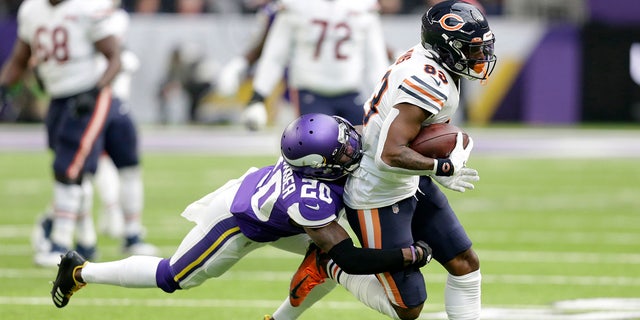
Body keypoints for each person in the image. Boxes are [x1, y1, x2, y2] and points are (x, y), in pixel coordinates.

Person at [50, 113, 433, 313]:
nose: (353, 149)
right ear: (318, 166)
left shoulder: (319, 159)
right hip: (237, 225)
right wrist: (408, 254)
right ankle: (81, 270)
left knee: (326, 256)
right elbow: (348, 257)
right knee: (173, 277)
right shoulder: (308, 197)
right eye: (344, 151)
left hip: (274, 207)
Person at [281, 1, 496, 319]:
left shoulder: (432, 61)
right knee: (407, 307)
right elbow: (389, 154)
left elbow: (417, 134)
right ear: (444, 48)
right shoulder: (428, 84)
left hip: (408, 179)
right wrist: (441, 167)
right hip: (378, 192)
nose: (480, 57)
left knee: (465, 263)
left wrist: (441, 157)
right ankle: (330, 264)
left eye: (482, 48)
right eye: (471, 49)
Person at [0, 0, 154, 267]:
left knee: (69, 167)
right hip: (57, 99)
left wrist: (95, 90)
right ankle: (85, 240)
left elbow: (115, 57)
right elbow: (20, 58)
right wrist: (3, 88)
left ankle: (61, 241)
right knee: (74, 170)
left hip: (87, 96)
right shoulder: (31, 9)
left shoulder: (87, 8)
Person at [240, 0, 389, 131]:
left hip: (351, 92)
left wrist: (384, 100)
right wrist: (258, 96)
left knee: (363, 152)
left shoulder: (364, 6)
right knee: (313, 153)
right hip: (310, 92)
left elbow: (376, 58)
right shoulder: (295, 5)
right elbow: (275, 54)